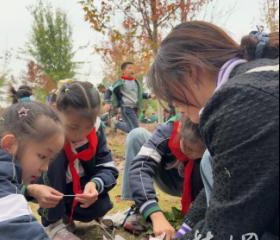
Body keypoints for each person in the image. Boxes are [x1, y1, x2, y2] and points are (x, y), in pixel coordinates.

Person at [148, 21, 279, 239]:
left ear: (191, 72)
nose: (180, 111)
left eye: (176, 101)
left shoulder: (238, 101)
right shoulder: (258, 75)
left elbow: (230, 225)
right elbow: (228, 186)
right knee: (209, 159)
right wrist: (185, 229)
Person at [25, 81, 119, 240]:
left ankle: (74, 217)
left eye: (88, 126)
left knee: (99, 204)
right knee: (54, 153)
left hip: (77, 190)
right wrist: (32, 189)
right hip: (51, 189)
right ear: (56, 112)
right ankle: (54, 223)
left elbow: (107, 166)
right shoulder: (43, 134)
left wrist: (94, 184)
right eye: (73, 127)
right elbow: (20, 175)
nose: (80, 134)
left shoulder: (96, 131)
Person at [0, 102, 65, 240]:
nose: (45, 168)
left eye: (50, 160)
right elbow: (16, 230)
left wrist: (28, 190)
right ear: (9, 144)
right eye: (42, 156)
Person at [122, 117, 205, 238]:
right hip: (169, 178)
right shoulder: (167, 131)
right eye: (188, 148)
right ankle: (140, 208)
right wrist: (155, 213)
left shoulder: (217, 135)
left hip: (198, 186)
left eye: (198, 153)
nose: (192, 155)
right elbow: (141, 166)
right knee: (136, 135)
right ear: (180, 130)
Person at [105, 62, 152, 133]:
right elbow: (108, 91)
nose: (132, 70)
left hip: (135, 108)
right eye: (129, 68)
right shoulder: (120, 82)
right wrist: (107, 102)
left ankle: (115, 123)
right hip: (126, 108)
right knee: (136, 129)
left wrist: (149, 95)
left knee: (132, 129)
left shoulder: (136, 82)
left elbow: (139, 95)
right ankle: (115, 123)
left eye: (133, 68)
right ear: (123, 71)